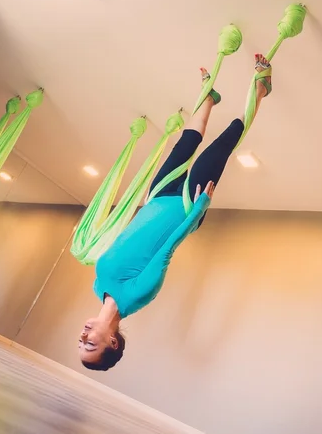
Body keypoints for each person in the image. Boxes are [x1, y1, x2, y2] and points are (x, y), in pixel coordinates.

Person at [79, 54, 273, 371]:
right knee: (221, 146)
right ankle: (262, 87)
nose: (84, 335)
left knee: (187, 140)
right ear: (112, 342)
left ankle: (209, 98)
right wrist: (198, 211)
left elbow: (130, 236)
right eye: (90, 344)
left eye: (80, 341)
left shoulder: (98, 286)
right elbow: (167, 248)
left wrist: (146, 203)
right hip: (186, 206)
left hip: (157, 197)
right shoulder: (138, 296)